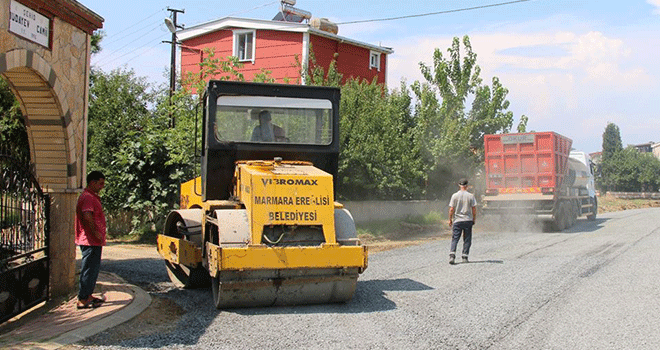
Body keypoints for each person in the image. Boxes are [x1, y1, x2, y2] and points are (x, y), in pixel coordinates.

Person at [75, 171, 107, 309]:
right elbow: (87, 217)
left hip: (93, 240)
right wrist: (95, 234)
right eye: (100, 183)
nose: (102, 187)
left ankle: (88, 295)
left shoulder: (92, 197)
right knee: (88, 269)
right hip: (90, 240)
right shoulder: (88, 197)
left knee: (92, 269)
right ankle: (83, 299)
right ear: (92, 182)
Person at [448, 178, 477, 265]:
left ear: (459, 185)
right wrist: (474, 219)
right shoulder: (471, 196)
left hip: (457, 221)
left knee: (455, 239)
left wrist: (450, 219)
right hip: (467, 220)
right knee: (467, 239)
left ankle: (452, 256)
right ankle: (465, 257)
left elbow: (451, 209)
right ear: (467, 186)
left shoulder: (454, 196)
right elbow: (474, 209)